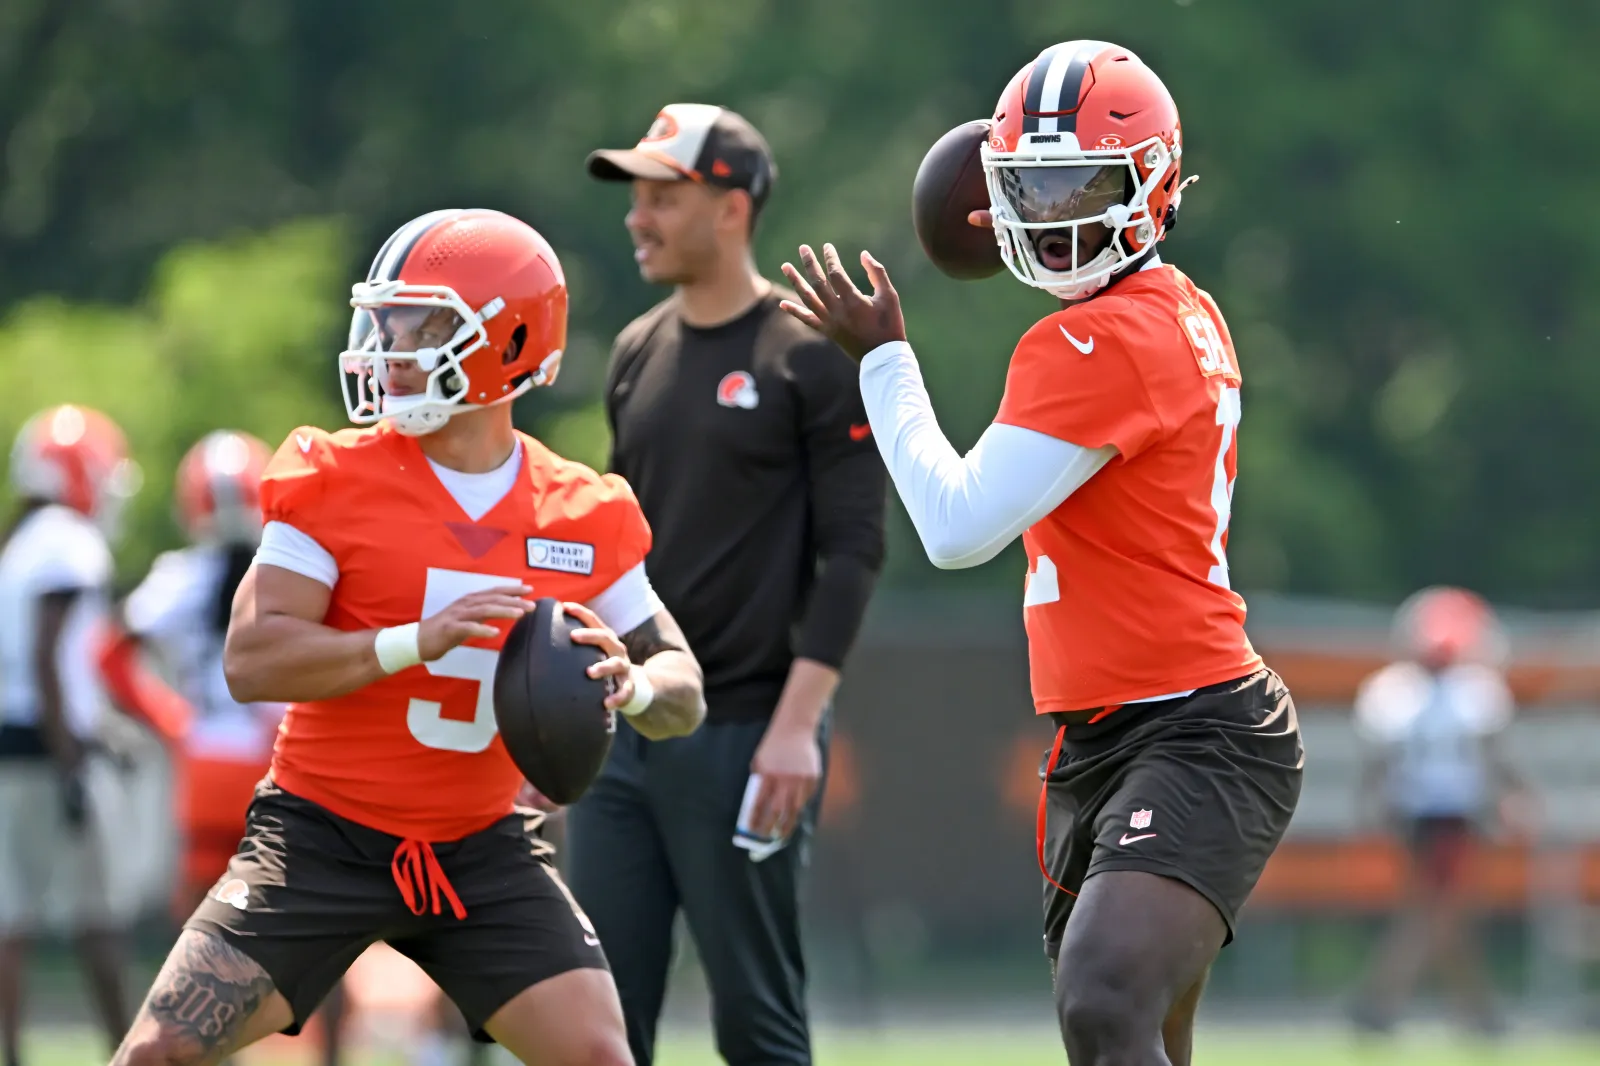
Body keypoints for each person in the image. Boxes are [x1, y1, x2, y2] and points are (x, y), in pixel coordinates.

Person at [780, 42, 1304, 1066]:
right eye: (1033, 184)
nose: (1058, 213)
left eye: (1086, 183)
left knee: (1103, 1004)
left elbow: (956, 524)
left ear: (1151, 182)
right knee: (1130, 1031)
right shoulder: (1176, 307)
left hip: (1192, 728)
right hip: (1113, 734)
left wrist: (884, 360)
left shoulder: (1099, 339)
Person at [111, 208, 707, 1066]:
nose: (386, 350)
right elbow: (253, 657)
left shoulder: (581, 511)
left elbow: (682, 688)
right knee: (155, 1054)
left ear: (505, 344)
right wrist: (408, 643)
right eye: (385, 325)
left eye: (420, 327)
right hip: (322, 835)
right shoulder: (334, 476)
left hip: (482, 849)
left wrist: (637, 684)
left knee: (602, 1059)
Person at [572, 104, 886, 1066]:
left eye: (664, 197)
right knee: (593, 1020)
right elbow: (614, 554)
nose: (639, 218)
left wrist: (798, 728)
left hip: (750, 730)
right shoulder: (635, 351)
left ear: (733, 207)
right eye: (638, 198)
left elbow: (854, 552)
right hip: (630, 727)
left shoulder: (806, 354)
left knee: (755, 1021)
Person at [100, 430, 351, 1065]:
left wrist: (173, 718)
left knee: (207, 940)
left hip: (206, 770)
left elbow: (107, 652)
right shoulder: (294, 571)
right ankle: (334, 1057)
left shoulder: (179, 577)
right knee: (329, 928)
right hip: (281, 767)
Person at [0, 405, 141, 1066]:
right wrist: (71, 759)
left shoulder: (22, 540)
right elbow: (48, 656)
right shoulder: (67, 541)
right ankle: (129, 1051)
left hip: (13, 746)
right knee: (98, 917)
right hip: (47, 750)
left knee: (12, 919)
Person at [1349, 586, 1529, 1035]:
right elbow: (1494, 757)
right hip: (1445, 815)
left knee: (1444, 915)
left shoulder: (1394, 691)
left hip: (1431, 816)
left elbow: (1379, 765)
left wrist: (1372, 803)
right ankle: (1383, 1004)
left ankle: (1473, 1013)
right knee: (1441, 915)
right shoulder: (1469, 692)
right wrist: (1514, 796)